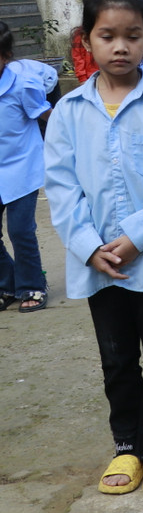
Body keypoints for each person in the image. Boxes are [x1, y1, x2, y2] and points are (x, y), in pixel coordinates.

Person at [44, 0, 143, 493]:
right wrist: (90, 247)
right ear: (84, 41)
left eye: (133, 36)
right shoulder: (69, 112)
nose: (120, 47)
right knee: (116, 360)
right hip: (96, 263)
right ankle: (128, 445)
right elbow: (62, 189)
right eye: (107, 35)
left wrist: (133, 239)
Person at [0, 20, 58, 313]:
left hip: (22, 166)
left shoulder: (22, 84)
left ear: (6, 56)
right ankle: (7, 283)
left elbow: (46, 115)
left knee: (21, 230)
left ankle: (32, 284)